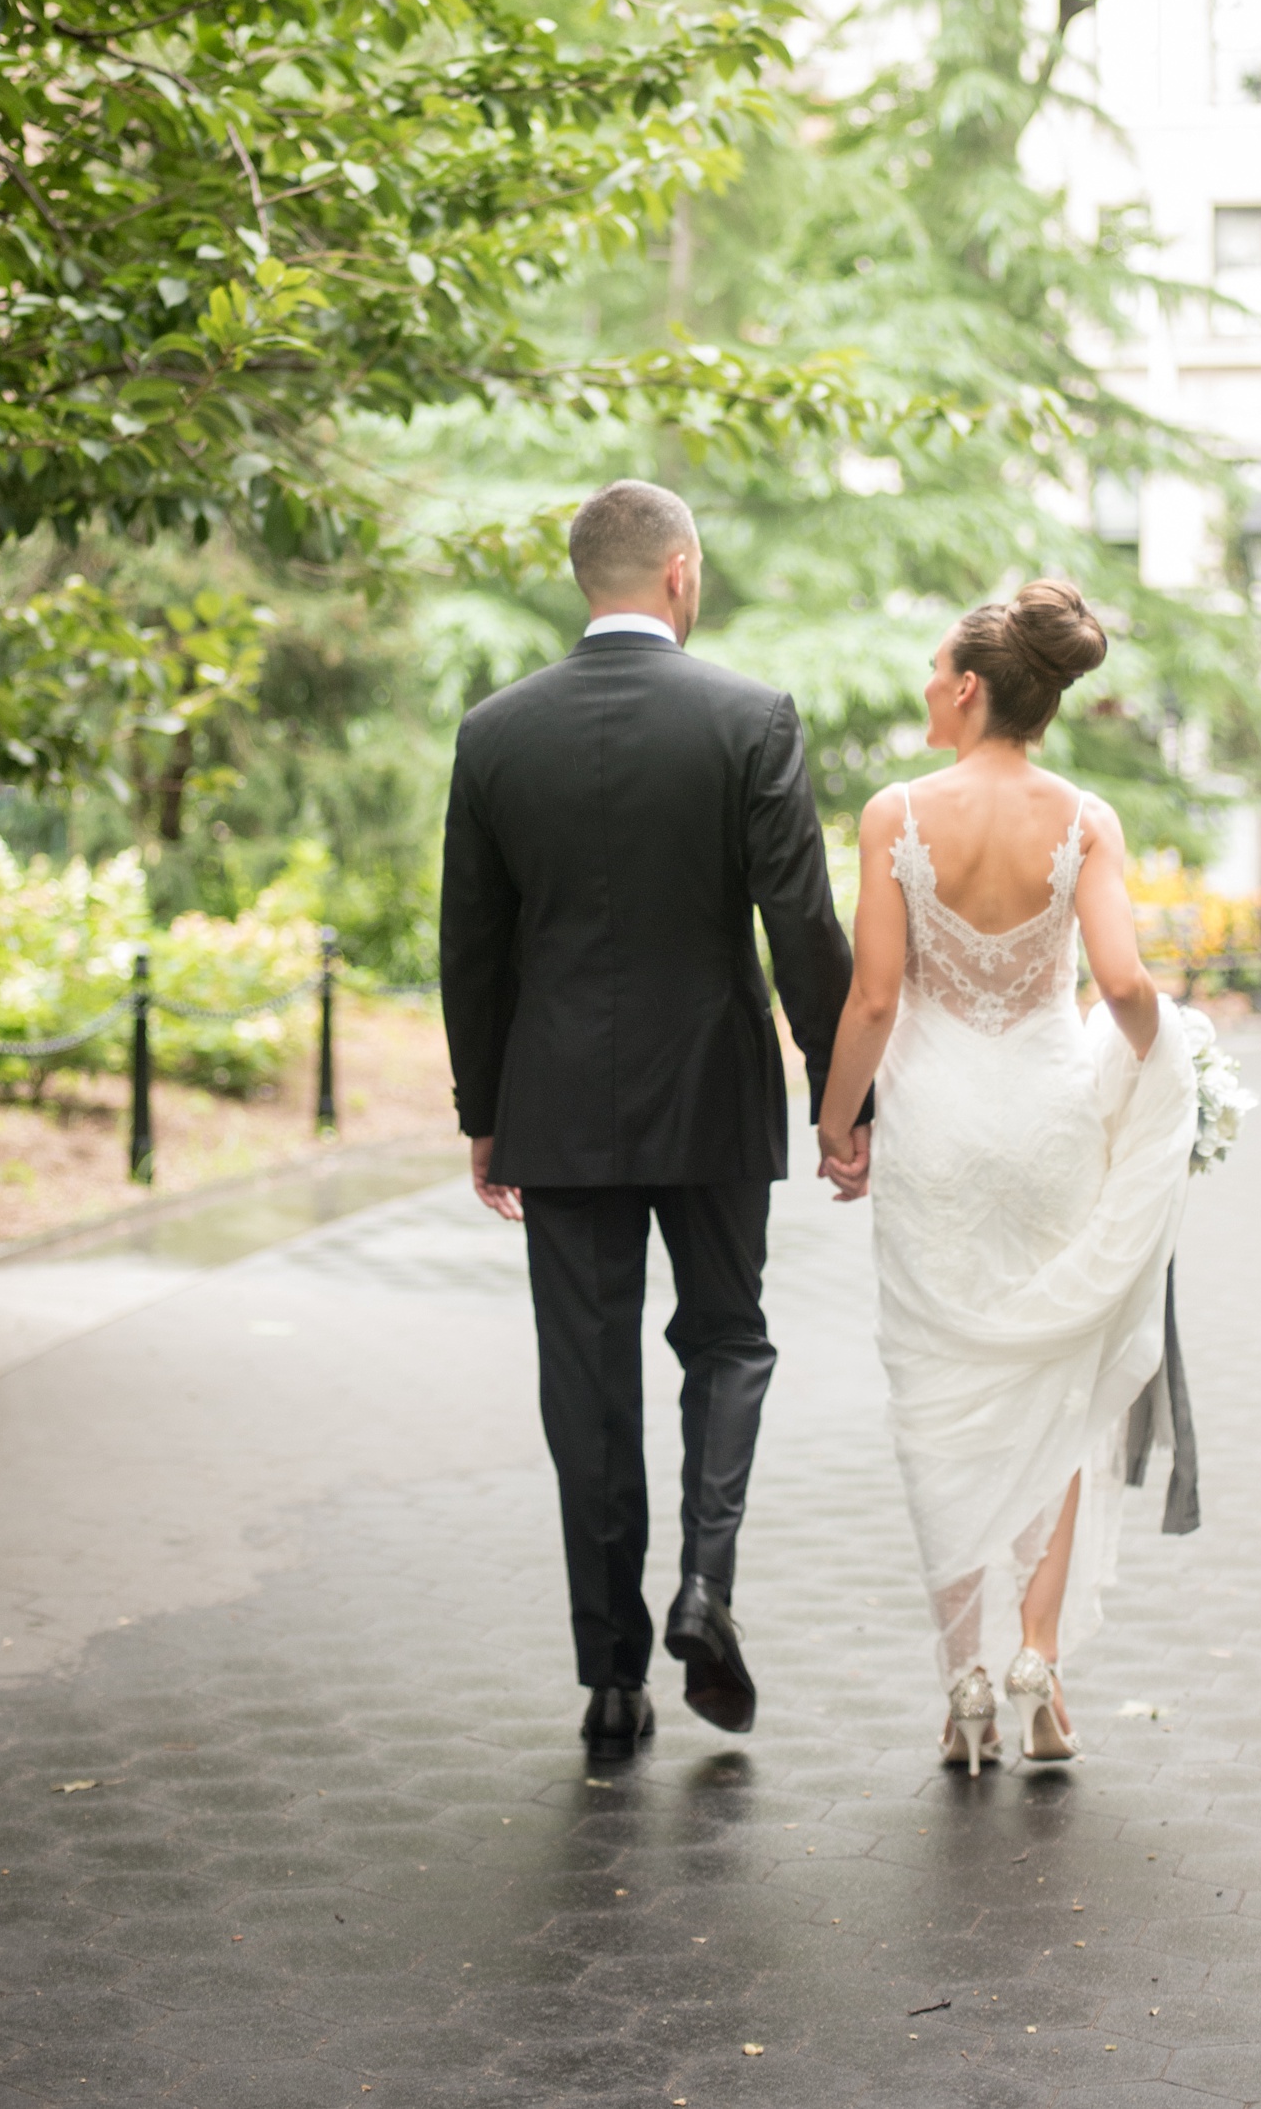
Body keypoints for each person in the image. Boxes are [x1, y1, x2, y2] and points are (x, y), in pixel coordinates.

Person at [438, 480, 861, 1764]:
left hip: (557, 1103)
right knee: (727, 1338)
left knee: (587, 1380)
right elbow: (800, 923)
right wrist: (845, 1096)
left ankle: (611, 1681)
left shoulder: (495, 731)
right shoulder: (747, 719)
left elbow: (472, 941)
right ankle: (706, 1588)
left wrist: (483, 1108)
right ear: (679, 572)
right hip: (714, 1092)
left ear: (589, 577)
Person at [815, 581, 1197, 1773]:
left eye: (936, 669)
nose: (926, 687)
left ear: (971, 686)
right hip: (1045, 1121)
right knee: (1055, 1384)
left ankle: (965, 1685)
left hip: (933, 1129)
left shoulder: (894, 814)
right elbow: (1124, 986)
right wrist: (1171, 1079)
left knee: (936, 1398)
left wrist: (835, 1127)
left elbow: (874, 997)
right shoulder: (1083, 818)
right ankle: (1038, 1655)